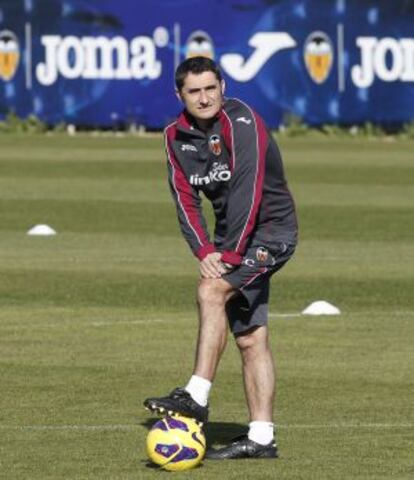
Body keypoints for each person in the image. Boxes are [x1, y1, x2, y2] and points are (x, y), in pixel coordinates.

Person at [144, 56, 297, 460]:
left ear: (223, 87)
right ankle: (262, 437)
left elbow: (248, 192)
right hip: (231, 237)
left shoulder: (241, 121)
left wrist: (225, 257)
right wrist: (205, 250)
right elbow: (184, 199)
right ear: (179, 95)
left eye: (211, 87)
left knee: (211, 291)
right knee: (250, 338)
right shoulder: (174, 136)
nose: (204, 97)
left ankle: (196, 394)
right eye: (194, 91)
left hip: (272, 233)